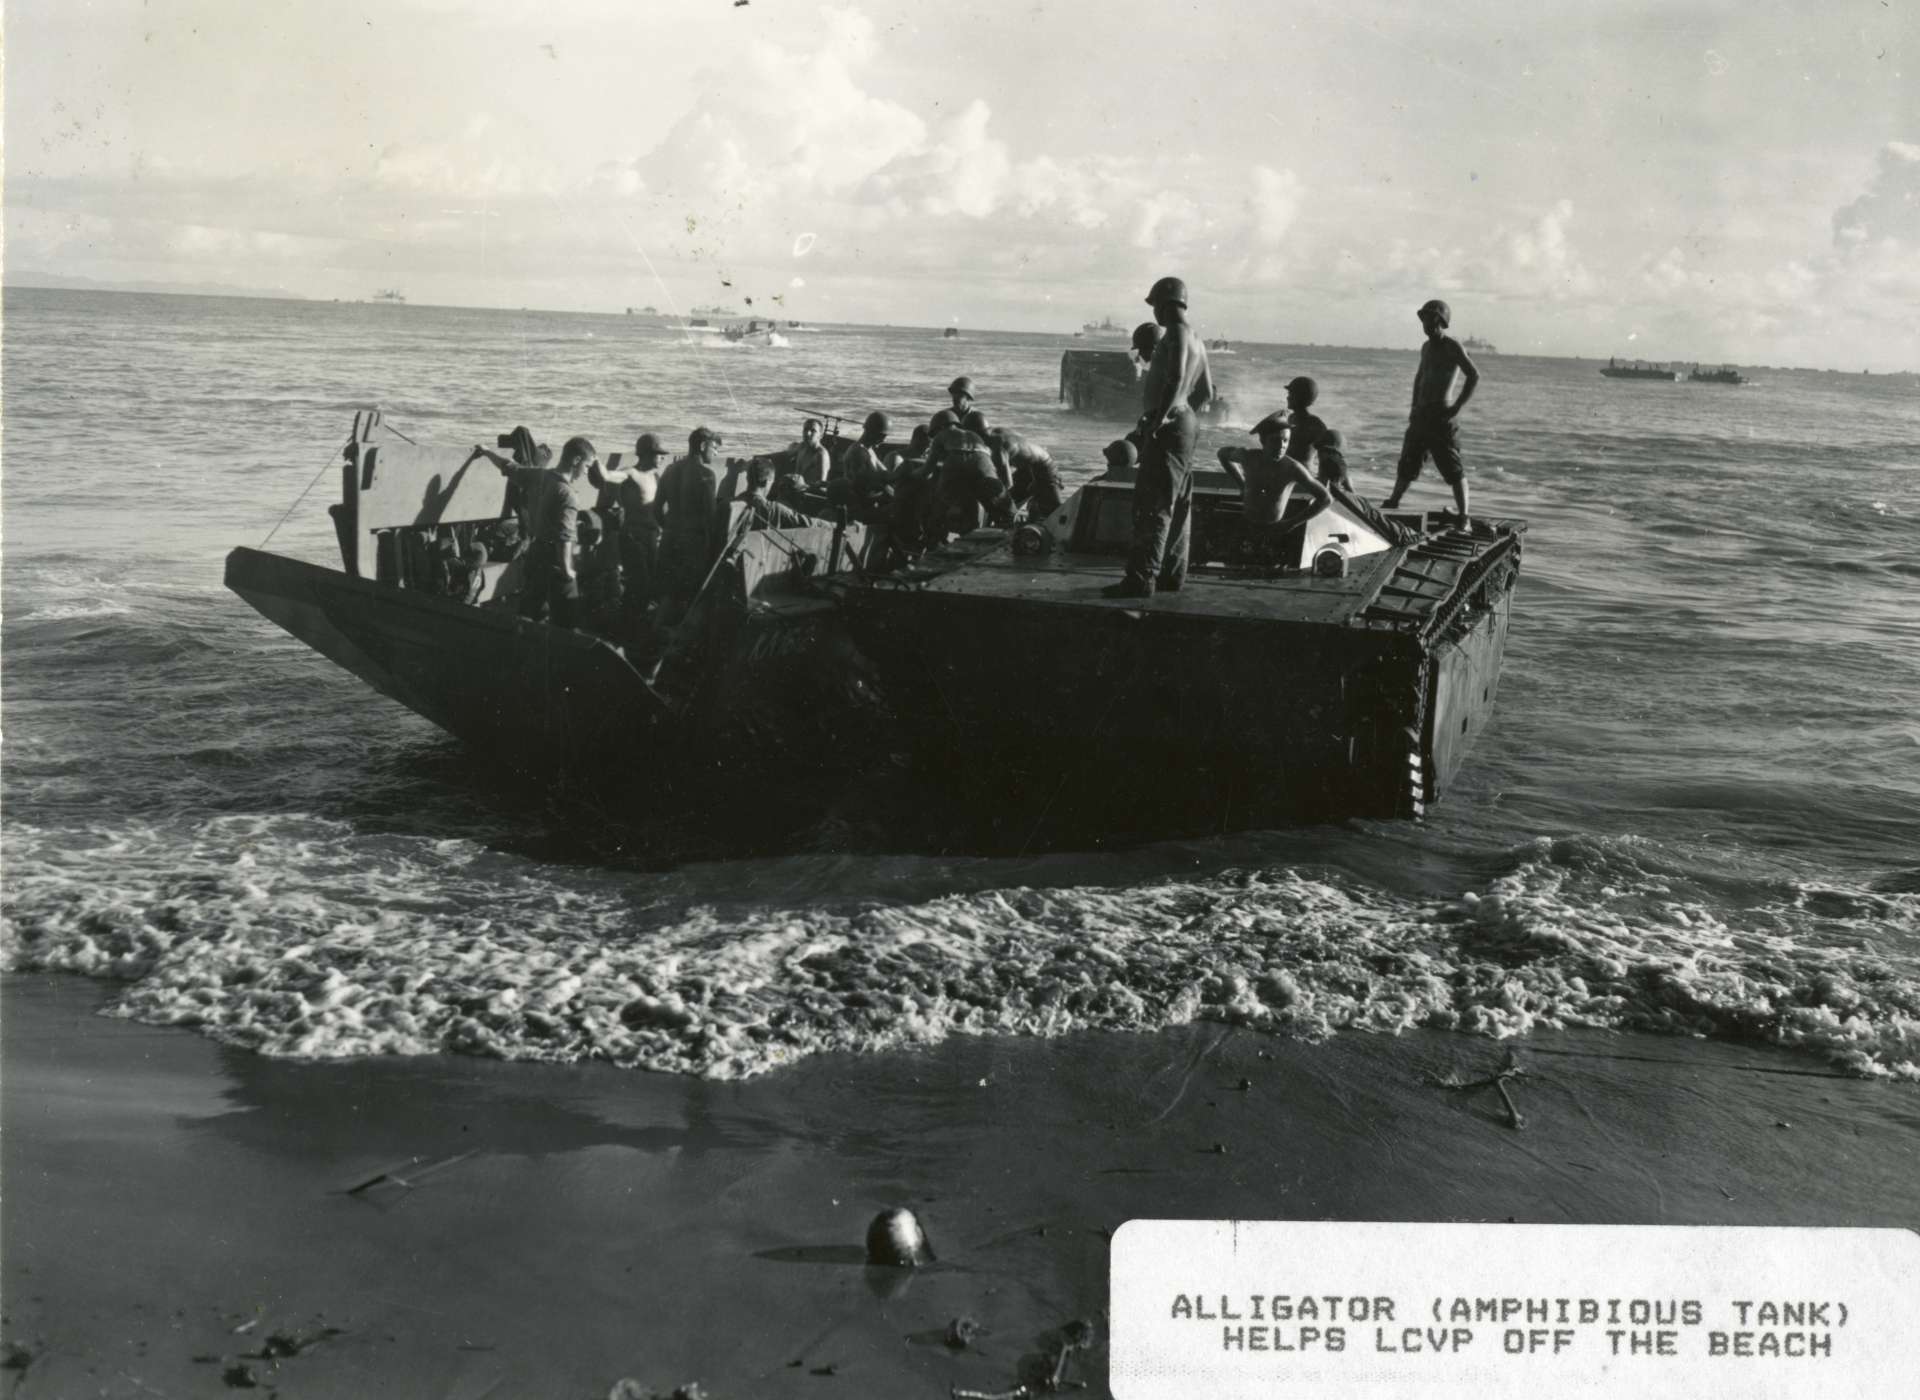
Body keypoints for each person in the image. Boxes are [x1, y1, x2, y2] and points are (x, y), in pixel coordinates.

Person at [1105, 275, 1214, 598]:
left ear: (1164, 305)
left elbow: (1176, 375)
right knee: (1178, 502)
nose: (1154, 313)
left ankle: (1141, 579)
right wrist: (1183, 414)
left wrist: (1161, 418)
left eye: (1154, 306)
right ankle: (1172, 575)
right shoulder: (1197, 339)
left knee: (1153, 504)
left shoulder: (1176, 334)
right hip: (1185, 425)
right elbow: (1206, 391)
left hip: (1169, 426)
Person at [475, 434, 596, 627]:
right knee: (568, 619)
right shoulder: (568, 494)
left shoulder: (539, 475)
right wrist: (567, 570)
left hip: (535, 552)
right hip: (555, 561)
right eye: (587, 466)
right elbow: (564, 537)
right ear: (576, 460)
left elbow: (509, 467)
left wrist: (487, 451)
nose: (586, 472)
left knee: (530, 613)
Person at [1383, 298, 1479, 517]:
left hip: (1441, 416)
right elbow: (1420, 377)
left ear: (1440, 321)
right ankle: (1394, 501)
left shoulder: (1452, 346)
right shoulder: (1426, 347)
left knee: (1453, 468)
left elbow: (1474, 375)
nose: (1426, 324)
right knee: (1408, 460)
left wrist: (1457, 406)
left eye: (1430, 320)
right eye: (1424, 319)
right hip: (1421, 416)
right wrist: (1413, 406)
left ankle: (1464, 516)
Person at [1217, 411, 1330, 562]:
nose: (1281, 446)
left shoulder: (1292, 468)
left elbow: (1326, 498)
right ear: (1263, 441)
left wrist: (1292, 523)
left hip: (1276, 529)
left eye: (1285, 441)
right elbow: (1222, 454)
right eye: (1275, 441)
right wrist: (1241, 484)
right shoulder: (1249, 457)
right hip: (1246, 524)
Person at [590, 431, 673, 627]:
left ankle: (636, 621)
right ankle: (627, 623)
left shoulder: (656, 476)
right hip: (633, 536)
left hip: (652, 537)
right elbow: (607, 476)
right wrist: (594, 458)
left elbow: (662, 508)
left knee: (650, 584)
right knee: (639, 583)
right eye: (658, 453)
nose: (662, 457)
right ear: (644, 453)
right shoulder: (630, 473)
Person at [656, 426, 726, 612]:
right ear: (703, 445)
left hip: (669, 540)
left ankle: (656, 632)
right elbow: (711, 519)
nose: (716, 453)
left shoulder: (670, 470)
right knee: (689, 597)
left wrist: (670, 528)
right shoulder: (706, 475)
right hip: (692, 545)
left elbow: (656, 509)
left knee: (668, 594)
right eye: (715, 448)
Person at [929, 409, 1013, 537]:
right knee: (1003, 506)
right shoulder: (976, 436)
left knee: (941, 502)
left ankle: (940, 536)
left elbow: (926, 470)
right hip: (983, 464)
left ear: (940, 428)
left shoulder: (941, 435)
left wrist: (907, 473)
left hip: (956, 465)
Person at [1279, 376, 1350, 490]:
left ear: (1300, 397)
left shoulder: (1314, 424)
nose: (1288, 397)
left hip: (1303, 479)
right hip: (1287, 475)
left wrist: (1347, 488)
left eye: (1291, 394)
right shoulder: (1291, 418)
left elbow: (1331, 458)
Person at [989, 427, 1065, 521]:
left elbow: (1007, 483)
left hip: (1043, 464)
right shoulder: (996, 432)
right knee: (1008, 501)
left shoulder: (998, 446)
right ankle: (1032, 508)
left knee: (1055, 515)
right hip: (1026, 467)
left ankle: (1034, 506)